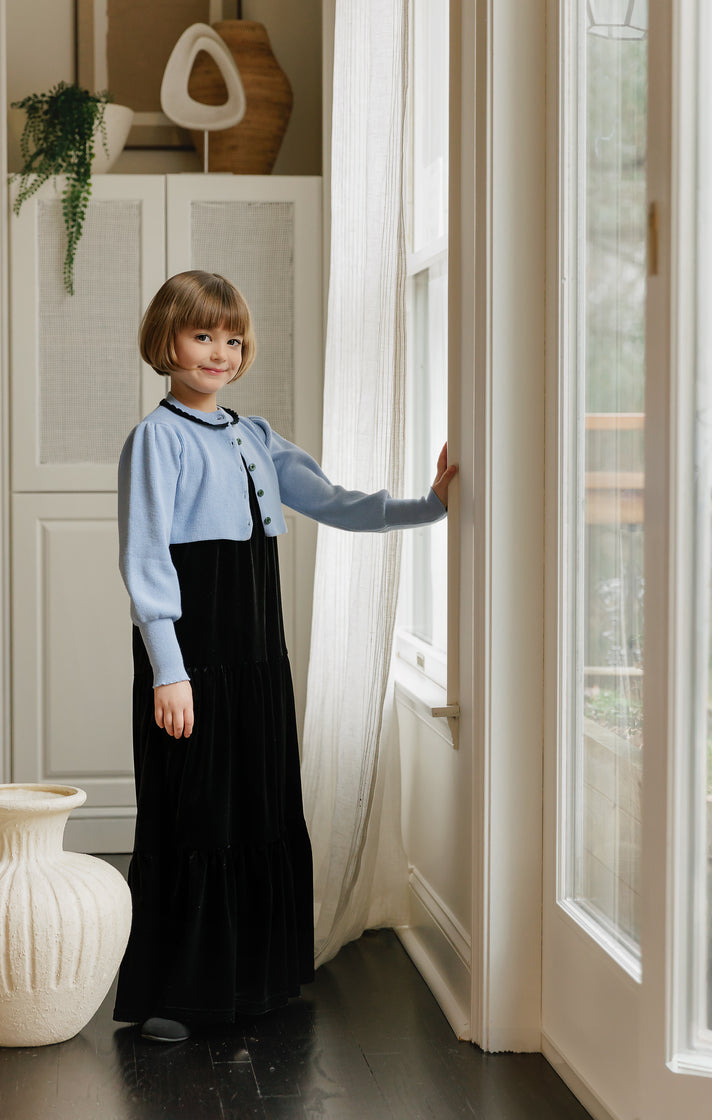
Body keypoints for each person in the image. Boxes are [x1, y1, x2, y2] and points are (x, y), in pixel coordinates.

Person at [113, 270, 458, 1042]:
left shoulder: (255, 434)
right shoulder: (156, 440)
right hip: (195, 658)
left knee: (259, 802)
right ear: (166, 340)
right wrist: (170, 669)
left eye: (232, 338)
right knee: (195, 810)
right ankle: (180, 992)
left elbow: (333, 501)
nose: (221, 352)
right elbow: (147, 564)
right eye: (203, 335)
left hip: (258, 655)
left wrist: (430, 506)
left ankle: (258, 976)